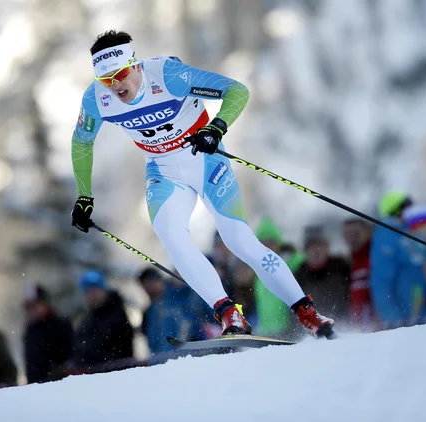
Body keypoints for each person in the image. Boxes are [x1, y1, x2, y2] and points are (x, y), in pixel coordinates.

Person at [69, 30, 335, 339]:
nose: (115, 86)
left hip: (205, 160)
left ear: (136, 65)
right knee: (172, 237)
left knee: (238, 239)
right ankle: (229, 315)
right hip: (163, 170)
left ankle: (307, 312)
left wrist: (215, 128)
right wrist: (84, 197)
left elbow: (237, 91)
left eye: (120, 75)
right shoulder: (96, 98)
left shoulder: (168, 76)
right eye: (106, 80)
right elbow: (81, 143)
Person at [369, 192, 426, 329]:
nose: (412, 212)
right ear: (395, 211)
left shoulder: (412, 234)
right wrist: (392, 319)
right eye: (407, 208)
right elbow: (381, 283)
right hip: (404, 320)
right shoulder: (386, 238)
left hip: (425, 314)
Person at [73, 270, 134, 370]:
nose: (92, 296)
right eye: (88, 292)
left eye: (95, 291)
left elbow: (108, 347)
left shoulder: (116, 314)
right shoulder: (87, 320)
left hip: (115, 373)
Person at [22, 284, 75, 384]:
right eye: (29, 306)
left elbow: (69, 357)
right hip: (37, 387)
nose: (32, 310)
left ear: (45, 303)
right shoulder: (30, 331)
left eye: (35, 305)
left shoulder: (60, 325)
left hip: (58, 385)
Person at [342, 218, 375, 328]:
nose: (352, 238)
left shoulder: (375, 256)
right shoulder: (350, 262)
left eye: (356, 233)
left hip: (380, 326)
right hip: (361, 326)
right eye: (347, 235)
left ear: (366, 232)